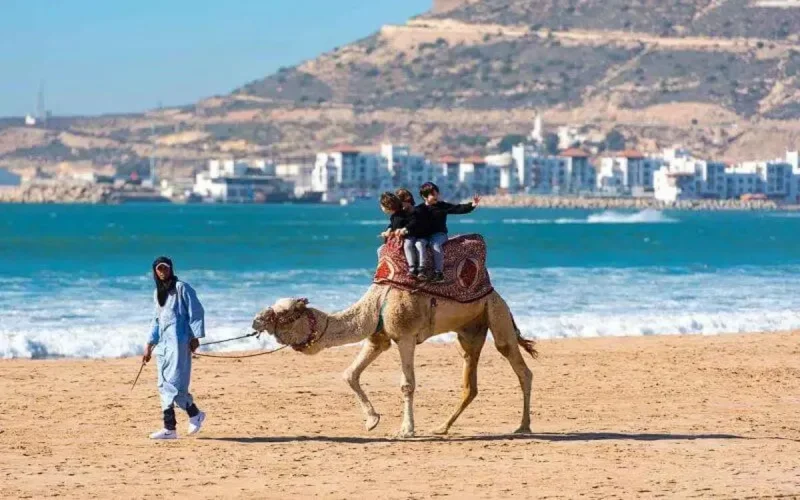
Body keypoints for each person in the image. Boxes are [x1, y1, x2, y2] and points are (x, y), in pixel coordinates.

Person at [143, 256, 207, 440]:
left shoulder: (182, 288)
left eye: (165, 268)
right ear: (155, 272)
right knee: (163, 384)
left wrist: (195, 336)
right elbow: (156, 321)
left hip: (179, 343)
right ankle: (184, 420)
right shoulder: (158, 293)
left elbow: (196, 312)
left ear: (171, 269)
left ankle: (180, 422)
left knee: (175, 383)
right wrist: (149, 345)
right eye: (159, 269)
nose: (162, 272)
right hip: (163, 346)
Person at [402, 182, 480, 282]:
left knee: (435, 245)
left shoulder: (442, 206)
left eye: (436, 193)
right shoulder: (419, 209)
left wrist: (471, 205)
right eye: (433, 194)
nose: (436, 196)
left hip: (439, 235)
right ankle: (420, 270)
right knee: (418, 244)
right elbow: (410, 222)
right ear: (424, 196)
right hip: (425, 236)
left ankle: (438, 273)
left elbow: (457, 208)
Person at [379, 192, 418, 278]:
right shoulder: (393, 216)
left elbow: (413, 222)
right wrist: (387, 232)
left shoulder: (403, 214)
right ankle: (382, 268)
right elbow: (392, 225)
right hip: (397, 238)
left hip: (408, 236)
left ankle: (412, 268)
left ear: (388, 206)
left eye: (382, 206)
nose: (381, 208)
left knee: (408, 246)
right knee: (380, 250)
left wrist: (405, 229)